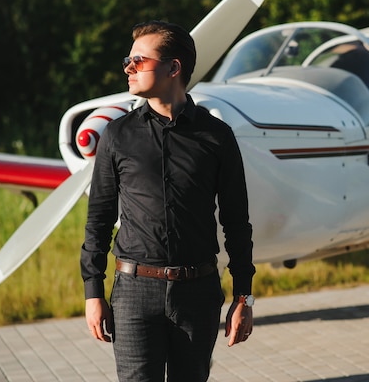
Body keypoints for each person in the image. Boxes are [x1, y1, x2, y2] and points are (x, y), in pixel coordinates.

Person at [80, 20, 255, 382]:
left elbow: (237, 223)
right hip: (133, 293)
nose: (128, 69)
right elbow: (98, 219)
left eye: (138, 62)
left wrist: (243, 299)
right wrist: (92, 292)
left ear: (173, 67)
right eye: (128, 61)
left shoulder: (217, 137)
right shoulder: (117, 136)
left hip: (199, 293)